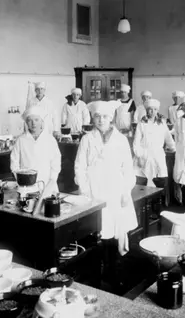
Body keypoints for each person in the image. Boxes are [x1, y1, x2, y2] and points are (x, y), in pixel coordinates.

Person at [75, 101, 138, 288]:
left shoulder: (121, 140)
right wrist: (85, 192)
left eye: (104, 117)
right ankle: (95, 275)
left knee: (114, 232)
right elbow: (79, 167)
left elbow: (128, 169)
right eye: (97, 116)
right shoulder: (87, 139)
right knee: (97, 233)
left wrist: (126, 191)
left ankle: (114, 272)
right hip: (93, 191)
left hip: (115, 190)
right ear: (93, 118)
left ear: (111, 118)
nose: (101, 120)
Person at [11, 106, 61, 200]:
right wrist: (21, 179)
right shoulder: (21, 140)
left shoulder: (50, 140)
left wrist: (51, 182)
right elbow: (14, 163)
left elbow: (56, 164)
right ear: (26, 123)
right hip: (26, 188)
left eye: (36, 120)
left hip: (48, 186)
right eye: (30, 120)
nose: (33, 123)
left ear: (42, 121)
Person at [132, 99, 176, 188]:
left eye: (155, 109)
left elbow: (168, 138)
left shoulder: (162, 123)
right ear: (146, 110)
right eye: (150, 109)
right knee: (141, 183)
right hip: (144, 155)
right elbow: (136, 143)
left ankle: (159, 196)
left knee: (160, 181)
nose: (152, 112)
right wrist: (139, 156)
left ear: (157, 110)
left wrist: (174, 149)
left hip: (158, 155)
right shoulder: (141, 124)